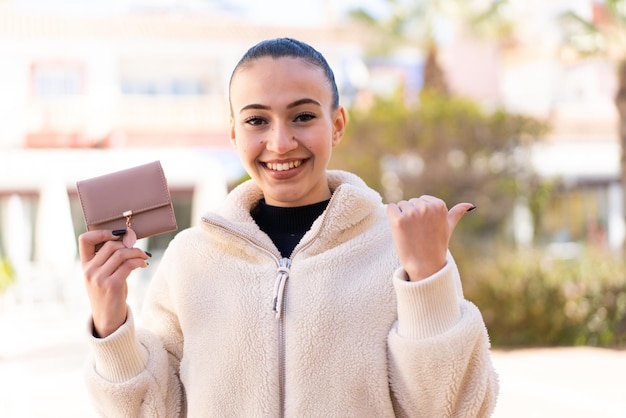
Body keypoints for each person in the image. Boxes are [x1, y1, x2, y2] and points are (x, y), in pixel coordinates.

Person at [79, 37, 499, 417]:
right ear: (232, 132)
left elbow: (454, 410)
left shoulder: (400, 252)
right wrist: (111, 322)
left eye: (302, 116)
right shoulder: (190, 259)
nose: (280, 143)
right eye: (256, 121)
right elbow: (150, 413)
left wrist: (427, 281)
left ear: (336, 125)